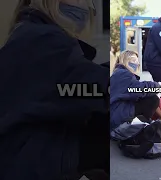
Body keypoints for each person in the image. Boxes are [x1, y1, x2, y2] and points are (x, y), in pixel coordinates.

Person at [0, 0, 109, 180]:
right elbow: (86, 89)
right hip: (29, 166)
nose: (83, 5)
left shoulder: (28, 35)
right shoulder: (43, 40)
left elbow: (64, 91)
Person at [110, 50, 161, 130]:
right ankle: (141, 126)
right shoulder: (123, 74)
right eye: (133, 60)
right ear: (125, 60)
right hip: (118, 116)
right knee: (152, 99)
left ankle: (142, 123)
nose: (137, 64)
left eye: (137, 61)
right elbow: (138, 90)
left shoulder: (118, 73)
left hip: (117, 113)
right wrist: (157, 86)